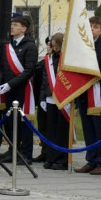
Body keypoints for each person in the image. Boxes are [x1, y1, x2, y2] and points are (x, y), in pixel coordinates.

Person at [0, 14, 38, 164]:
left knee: (24, 123)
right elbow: (3, 67)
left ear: (24, 29)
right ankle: (13, 150)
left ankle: (26, 154)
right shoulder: (8, 44)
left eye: (16, 25)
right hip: (8, 90)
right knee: (11, 122)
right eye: (12, 24)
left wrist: (10, 84)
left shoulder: (30, 46)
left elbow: (29, 70)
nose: (12, 27)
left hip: (22, 89)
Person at [74, 15, 101, 175]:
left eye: (96, 27)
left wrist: (87, 72)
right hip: (83, 94)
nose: (92, 29)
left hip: (97, 95)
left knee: (100, 130)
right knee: (88, 129)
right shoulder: (81, 46)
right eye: (90, 26)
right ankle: (91, 160)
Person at [38, 33, 69, 170]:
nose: (52, 46)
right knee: (50, 129)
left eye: (55, 44)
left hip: (64, 98)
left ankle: (61, 159)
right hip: (50, 98)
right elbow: (45, 80)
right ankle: (51, 157)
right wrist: (43, 98)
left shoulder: (67, 58)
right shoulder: (49, 58)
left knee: (61, 131)